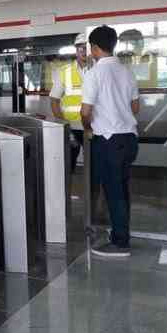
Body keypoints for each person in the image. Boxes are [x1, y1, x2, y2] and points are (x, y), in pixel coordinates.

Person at [81, 25, 140, 257]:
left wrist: (88, 129)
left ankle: (120, 242)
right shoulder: (127, 71)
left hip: (108, 140)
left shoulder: (94, 74)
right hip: (129, 139)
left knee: (113, 191)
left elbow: (85, 112)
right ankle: (121, 231)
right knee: (123, 189)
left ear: (94, 47)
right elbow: (136, 107)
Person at [50, 33, 91, 173]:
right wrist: (63, 126)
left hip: (94, 126)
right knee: (68, 165)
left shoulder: (99, 70)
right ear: (76, 50)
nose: (84, 51)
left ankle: (93, 193)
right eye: (81, 48)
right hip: (72, 127)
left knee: (95, 165)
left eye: (87, 47)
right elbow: (54, 100)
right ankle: (68, 192)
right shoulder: (65, 72)